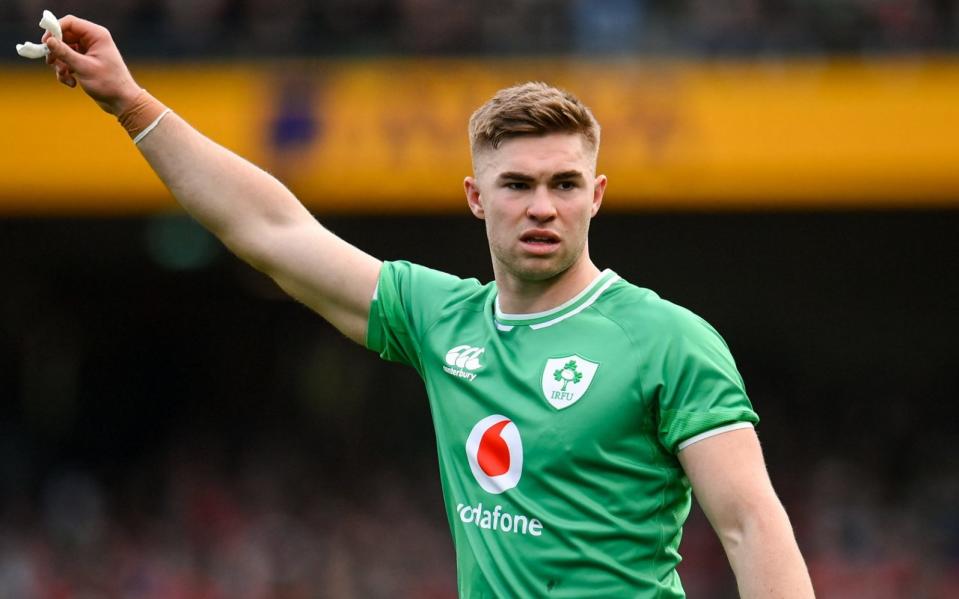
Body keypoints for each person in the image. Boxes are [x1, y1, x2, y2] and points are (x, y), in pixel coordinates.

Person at [39, 15, 816, 598]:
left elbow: (752, 526)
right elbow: (270, 229)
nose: (541, 206)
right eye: (516, 185)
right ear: (478, 199)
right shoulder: (440, 319)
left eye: (563, 183)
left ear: (596, 195)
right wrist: (132, 103)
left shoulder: (668, 340)